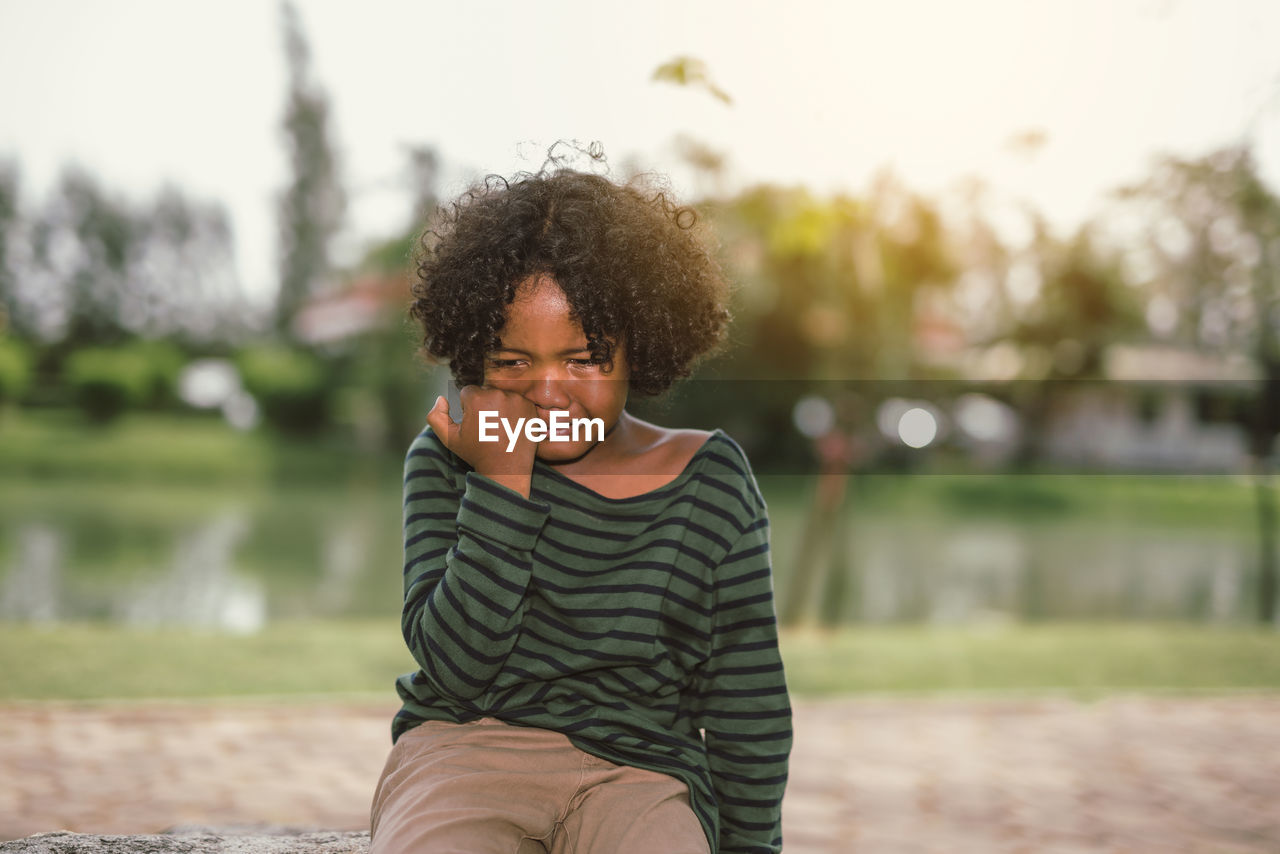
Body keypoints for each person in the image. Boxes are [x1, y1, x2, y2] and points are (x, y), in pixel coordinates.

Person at [369, 164, 791, 854]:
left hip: (643, 773)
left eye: (585, 357)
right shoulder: (448, 457)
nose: (549, 389)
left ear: (643, 341)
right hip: (465, 753)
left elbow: (748, 702)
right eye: (511, 362)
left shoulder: (710, 482)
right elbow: (457, 665)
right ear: (474, 356)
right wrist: (501, 483)